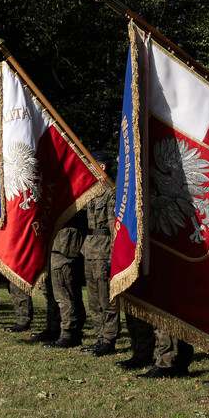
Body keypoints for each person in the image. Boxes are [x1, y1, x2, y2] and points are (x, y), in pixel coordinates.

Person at [81, 152, 120, 357]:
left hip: (104, 249)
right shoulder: (91, 191)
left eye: (92, 164)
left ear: (102, 167)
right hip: (89, 249)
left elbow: (115, 228)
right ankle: (99, 337)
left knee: (106, 299)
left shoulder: (110, 192)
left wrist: (113, 255)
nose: (88, 168)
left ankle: (109, 339)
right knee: (93, 299)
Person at [43, 217, 86, 348]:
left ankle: (69, 334)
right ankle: (54, 328)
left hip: (65, 246)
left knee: (65, 293)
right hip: (56, 244)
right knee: (54, 293)